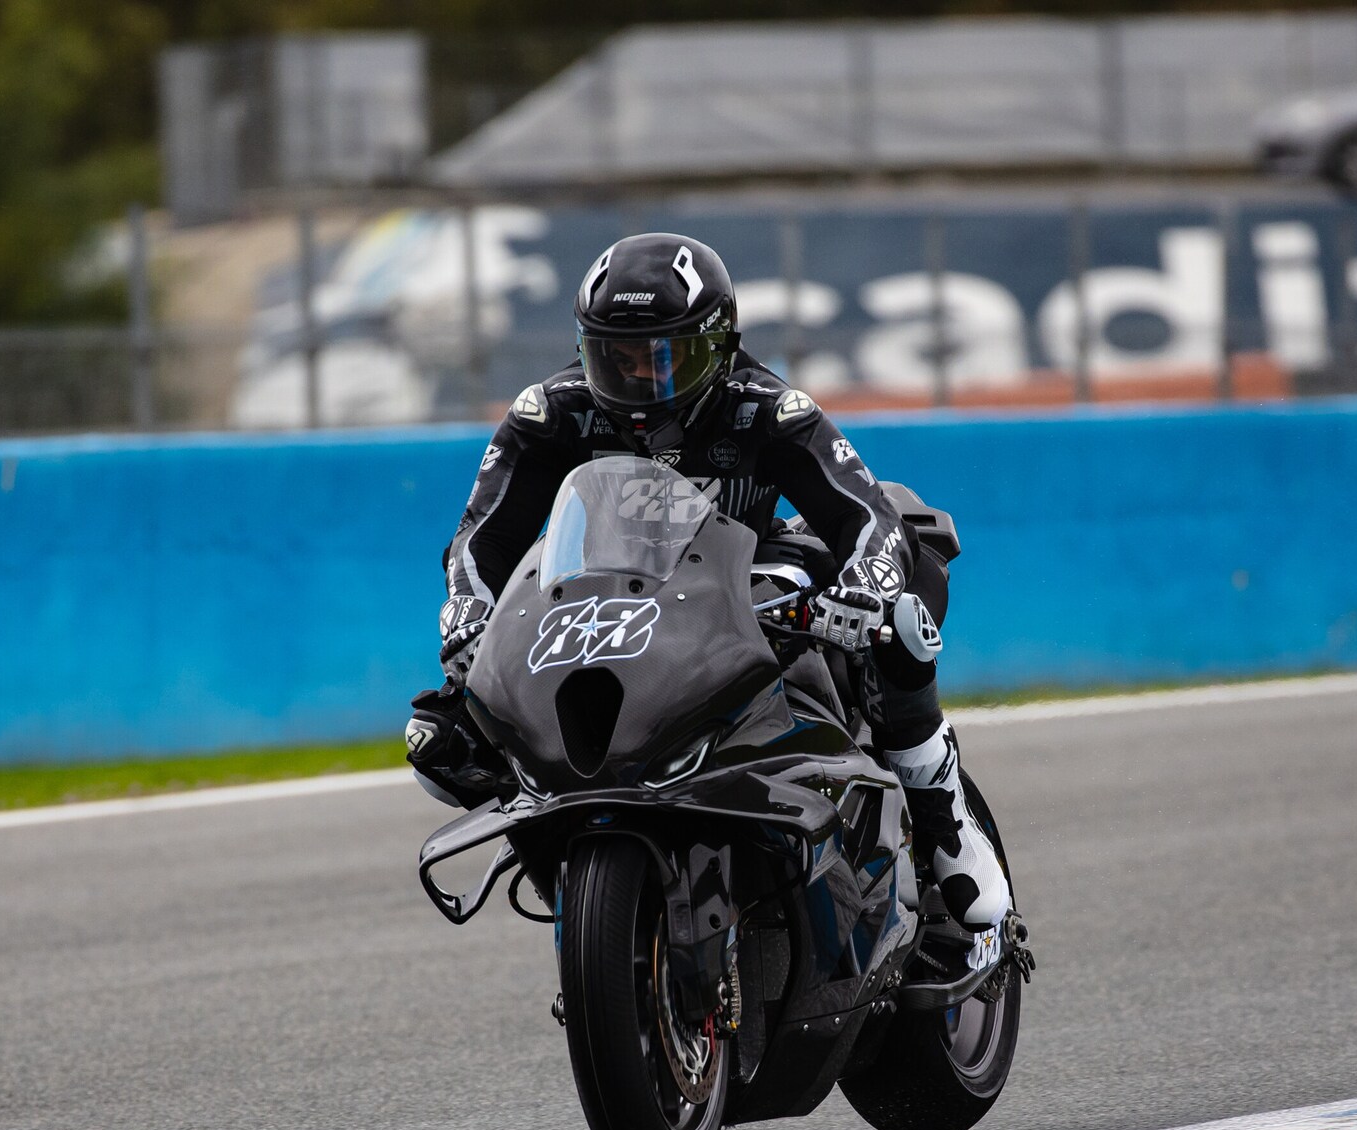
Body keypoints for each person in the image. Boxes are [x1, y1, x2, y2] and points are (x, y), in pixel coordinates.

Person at [407, 231, 1014, 940]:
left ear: (719, 345)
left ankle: (943, 822)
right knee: (441, 740)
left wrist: (862, 591)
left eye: (665, 358)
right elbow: (480, 541)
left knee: (899, 626)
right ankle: (575, 872)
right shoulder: (550, 415)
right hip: (603, 603)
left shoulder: (767, 409)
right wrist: (469, 610)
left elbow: (868, 518)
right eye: (618, 358)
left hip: (745, 588)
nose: (640, 381)